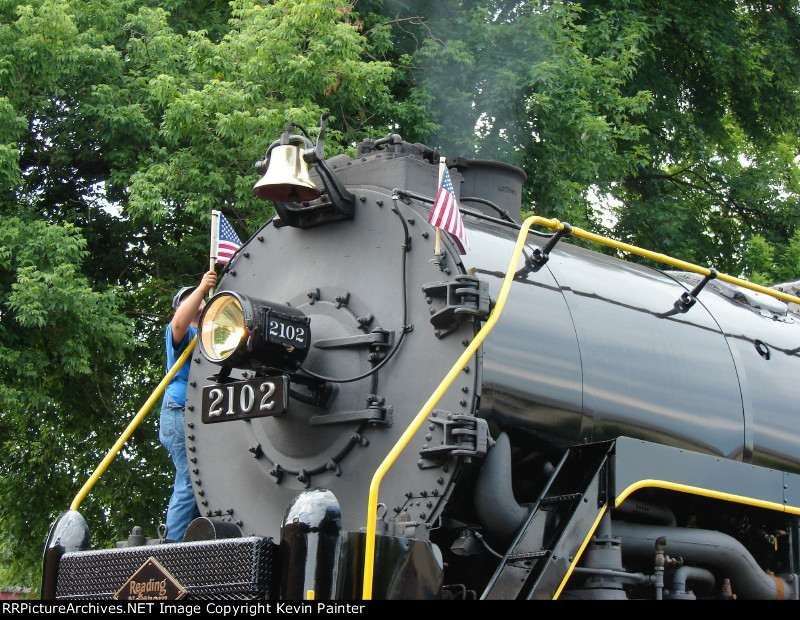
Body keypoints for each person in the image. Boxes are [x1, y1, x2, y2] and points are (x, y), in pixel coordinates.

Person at [160, 269, 217, 542]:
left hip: (205, 415)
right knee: (190, 479)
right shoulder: (183, 331)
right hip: (180, 412)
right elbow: (179, 324)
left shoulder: (214, 334)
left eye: (198, 299)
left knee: (205, 481)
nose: (196, 303)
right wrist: (201, 286)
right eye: (188, 301)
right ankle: (170, 545)